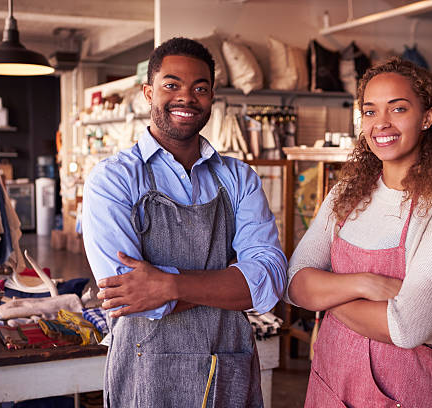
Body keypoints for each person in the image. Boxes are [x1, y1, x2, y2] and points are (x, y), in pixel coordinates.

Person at [82, 37, 286, 408]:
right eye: (171, 85)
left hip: (227, 365)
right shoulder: (113, 180)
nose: (186, 97)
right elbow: (129, 297)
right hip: (145, 373)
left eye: (200, 88)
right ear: (148, 92)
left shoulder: (239, 177)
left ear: (212, 98)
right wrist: (227, 282)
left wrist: (168, 285)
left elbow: (268, 281)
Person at [286, 57, 432, 407]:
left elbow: (404, 328)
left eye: (398, 108)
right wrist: (365, 284)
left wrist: (326, 293)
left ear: (428, 117)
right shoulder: (344, 193)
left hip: (403, 386)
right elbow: (295, 286)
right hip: (331, 376)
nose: (381, 123)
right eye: (370, 111)